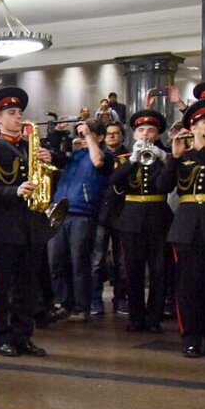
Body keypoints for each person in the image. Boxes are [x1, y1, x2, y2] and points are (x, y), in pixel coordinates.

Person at [0, 87, 50, 358]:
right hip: (4, 227)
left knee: (28, 288)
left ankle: (23, 335)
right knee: (2, 287)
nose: (19, 117)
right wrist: (13, 191)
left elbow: (50, 183)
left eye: (20, 112)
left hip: (33, 226)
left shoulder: (34, 148)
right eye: (12, 113)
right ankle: (2, 336)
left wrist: (50, 165)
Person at [110, 110, 173, 334]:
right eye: (141, 130)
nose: (146, 134)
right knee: (132, 271)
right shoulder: (125, 159)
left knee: (159, 270)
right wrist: (133, 160)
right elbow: (114, 183)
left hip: (158, 218)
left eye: (151, 130)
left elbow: (168, 186)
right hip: (131, 219)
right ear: (134, 134)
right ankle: (136, 318)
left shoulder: (166, 158)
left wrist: (165, 158)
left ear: (157, 135)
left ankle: (154, 318)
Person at [46, 120, 113, 323]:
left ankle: (81, 306)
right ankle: (61, 302)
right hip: (59, 212)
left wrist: (90, 138)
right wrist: (56, 135)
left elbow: (98, 161)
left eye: (87, 134)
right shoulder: (74, 156)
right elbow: (53, 157)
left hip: (83, 214)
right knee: (55, 261)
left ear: (99, 137)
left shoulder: (106, 156)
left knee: (79, 262)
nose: (82, 138)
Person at [161, 99, 205, 357]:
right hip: (187, 226)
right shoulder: (182, 157)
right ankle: (190, 336)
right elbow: (162, 186)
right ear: (193, 127)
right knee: (188, 286)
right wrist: (174, 157)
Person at [91, 121, 128, 316]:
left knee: (122, 262)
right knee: (97, 260)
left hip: (123, 213)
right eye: (109, 133)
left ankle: (120, 298)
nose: (112, 136)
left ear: (122, 136)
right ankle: (95, 300)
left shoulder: (130, 154)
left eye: (116, 133)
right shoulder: (98, 154)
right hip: (101, 213)